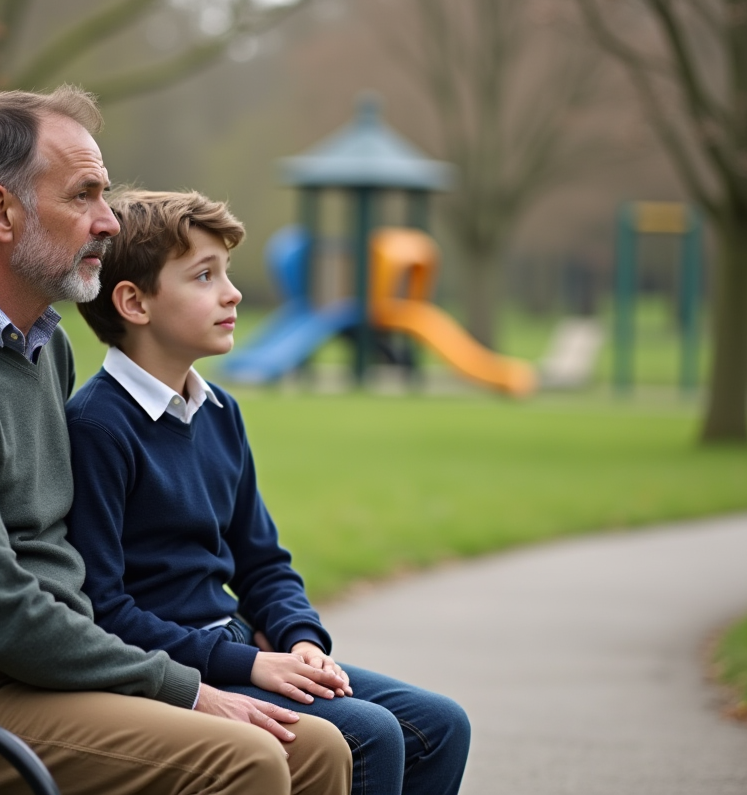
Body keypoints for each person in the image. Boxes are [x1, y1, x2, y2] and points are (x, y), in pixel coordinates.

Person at [0, 88, 352, 795]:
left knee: (317, 749)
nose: (107, 221)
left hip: (39, 676)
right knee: (245, 757)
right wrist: (186, 688)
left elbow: (65, 565)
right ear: (1, 212)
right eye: (84, 195)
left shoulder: (39, 349)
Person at [65, 189, 472, 795]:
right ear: (134, 302)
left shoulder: (219, 411)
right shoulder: (98, 427)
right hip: (177, 670)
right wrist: (251, 663)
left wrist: (300, 640)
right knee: (371, 735)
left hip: (240, 648)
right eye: (204, 276)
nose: (231, 293)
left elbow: (263, 562)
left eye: (225, 273)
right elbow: (104, 608)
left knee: (440, 725)